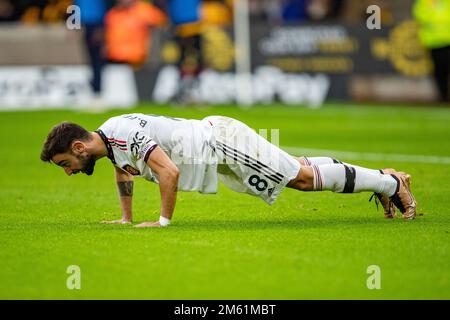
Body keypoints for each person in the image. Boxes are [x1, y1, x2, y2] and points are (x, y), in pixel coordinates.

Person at [40, 113, 417, 228]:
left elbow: (168, 173)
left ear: (77, 148)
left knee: (298, 179)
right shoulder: (111, 141)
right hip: (216, 148)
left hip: (223, 143)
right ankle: (385, 177)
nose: (68, 172)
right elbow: (123, 171)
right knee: (295, 169)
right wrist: (126, 219)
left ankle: (390, 184)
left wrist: (162, 221)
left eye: (65, 164)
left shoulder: (123, 132)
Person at [104, 0, 166, 67]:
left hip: (138, 61)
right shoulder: (112, 14)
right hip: (114, 59)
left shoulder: (144, 10)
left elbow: (163, 25)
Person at [413, 0, 450, 102]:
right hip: (433, 43)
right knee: (439, 71)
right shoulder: (423, 2)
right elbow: (419, 16)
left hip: (448, 41)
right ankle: (443, 97)